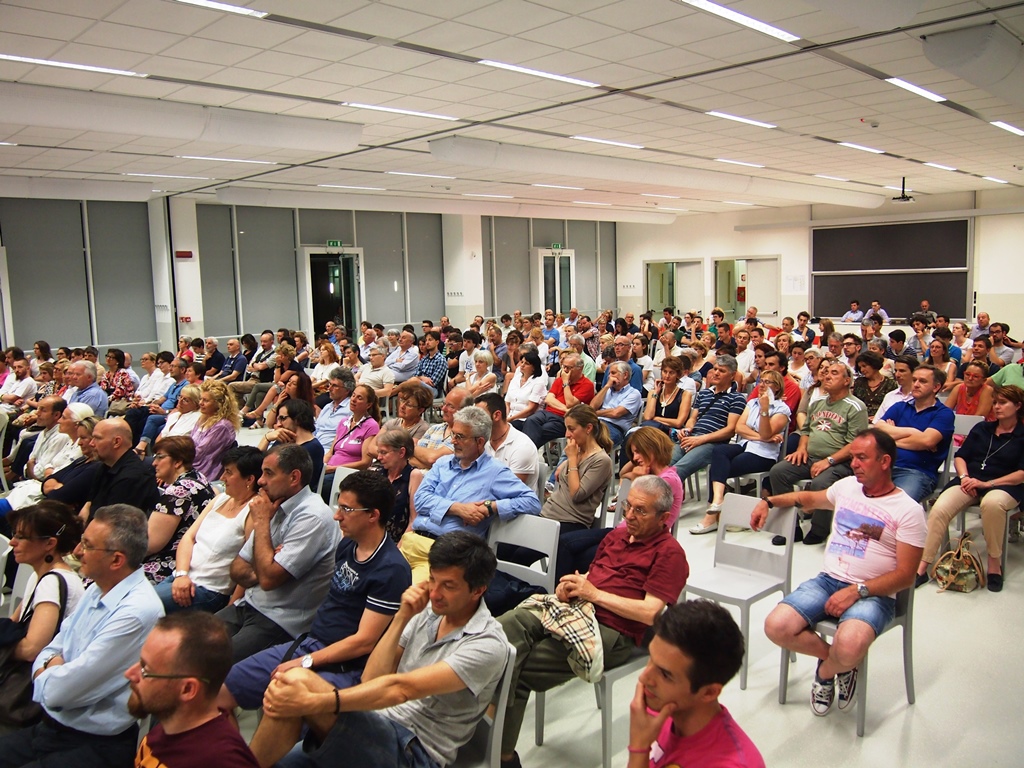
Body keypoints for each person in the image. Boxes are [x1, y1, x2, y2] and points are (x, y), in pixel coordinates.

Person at [246, 531, 508, 768]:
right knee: (288, 694)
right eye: (432, 580)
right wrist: (401, 617)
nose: (434, 593)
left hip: (415, 750)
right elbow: (371, 677)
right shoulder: (427, 612)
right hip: (378, 722)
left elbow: (402, 689)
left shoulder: (487, 643)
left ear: (478, 591)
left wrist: (316, 703)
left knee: (295, 682)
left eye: (448, 586)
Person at [498, 475, 689, 768]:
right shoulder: (616, 537)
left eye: (640, 511)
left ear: (664, 517)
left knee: (518, 669)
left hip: (613, 631)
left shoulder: (669, 553)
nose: (629, 515)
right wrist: (573, 586)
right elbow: (594, 575)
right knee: (507, 627)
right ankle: (475, 709)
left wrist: (594, 594)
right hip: (579, 608)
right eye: (628, 506)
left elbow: (650, 612)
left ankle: (502, 756)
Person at [217, 471, 411, 745]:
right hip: (309, 643)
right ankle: (234, 758)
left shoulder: (391, 569)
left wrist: (305, 661)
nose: (337, 516)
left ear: (372, 515)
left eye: (347, 509)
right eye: (339, 506)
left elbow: (364, 642)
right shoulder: (348, 545)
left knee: (287, 711)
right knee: (218, 695)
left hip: (344, 665)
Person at [755, 429, 925, 718]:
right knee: (776, 626)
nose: (854, 463)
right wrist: (768, 502)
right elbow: (808, 498)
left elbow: (907, 575)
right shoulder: (847, 487)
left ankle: (826, 671)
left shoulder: (908, 510)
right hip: (828, 581)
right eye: (853, 457)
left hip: (874, 593)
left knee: (848, 647)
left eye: (862, 458)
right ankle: (842, 665)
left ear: (884, 462)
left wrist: (856, 591)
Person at [0, 505, 163, 768]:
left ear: (116, 560)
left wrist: (47, 672)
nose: (77, 551)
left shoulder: (136, 612)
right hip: (52, 728)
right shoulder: (97, 589)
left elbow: (61, 691)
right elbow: (53, 648)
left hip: (94, 743)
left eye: (87, 545)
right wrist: (54, 666)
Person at [216, 445, 340, 663]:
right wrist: (267, 561)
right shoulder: (273, 506)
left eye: (269, 473)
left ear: (294, 477)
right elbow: (237, 570)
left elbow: (268, 579)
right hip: (248, 605)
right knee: (189, 642)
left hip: (279, 621)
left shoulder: (312, 517)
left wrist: (262, 523)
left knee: (213, 662)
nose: (260, 481)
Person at [402, 405, 540, 582]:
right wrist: (458, 509)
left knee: (404, 594)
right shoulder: (443, 464)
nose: (453, 441)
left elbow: (532, 502)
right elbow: (420, 500)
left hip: (446, 553)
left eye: (460, 437)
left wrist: (491, 506)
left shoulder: (495, 472)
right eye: (453, 434)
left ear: (480, 442)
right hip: (412, 541)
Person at [626, 601, 764, 768]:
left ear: (709, 692)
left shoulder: (733, 764)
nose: (644, 677)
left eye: (665, 674)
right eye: (651, 658)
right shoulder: (654, 714)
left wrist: (639, 747)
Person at [915, 385, 1024, 593]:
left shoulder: (1021, 435)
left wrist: (987, 484)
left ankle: (994, 563)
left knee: (992, 504)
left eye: (1003, 403)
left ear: (1018, 406)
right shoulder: (982, 428)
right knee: (940, 508)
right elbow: (961, 456)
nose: (997, 407)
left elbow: (1021, 474)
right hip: (970, 481)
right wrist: (964, 477)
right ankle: (923, 566)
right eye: (995, 402)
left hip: (1004, 485)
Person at [127, 612, 260, 768]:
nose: (130, 674)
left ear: (187, 689)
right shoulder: (169, 725)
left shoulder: (221, 761)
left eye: (145, 670)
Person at [765, 361, 869, 545]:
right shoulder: (818, 403)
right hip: (811, 457)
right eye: (826, 372)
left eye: (834, 373)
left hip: (841, 462)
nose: (827, 376)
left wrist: (829, 460)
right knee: (778, 472)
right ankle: (791, 528)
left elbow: (855, 444)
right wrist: (801, 449)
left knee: (821, 482)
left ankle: (819, 530)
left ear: (847, 381)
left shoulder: (855, 406)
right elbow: (806, 430)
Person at [2, 501, 85, 727]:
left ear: (49, 543)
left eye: (21, 537)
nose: (12, 542)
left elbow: (32, 649)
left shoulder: (53, 582)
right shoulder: (40, 576)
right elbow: (14, 622)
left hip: (36, 692)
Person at [154, 445, 260, 615]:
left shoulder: (253, 510)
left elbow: (249, 563)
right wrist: (181, 574)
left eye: (229, 472)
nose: (222, 477)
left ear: (249, 480)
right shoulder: (220, 499)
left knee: (141, 605)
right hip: (181, 576)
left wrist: (231, 607)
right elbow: (189, 538)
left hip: (209, 590)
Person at [694, 371, 791, 535]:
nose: (762, 385)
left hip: (763, 454)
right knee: (719, 451)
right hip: (745, 444)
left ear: (777, 387)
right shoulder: (752, 402)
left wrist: (765, 410)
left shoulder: (782, 409)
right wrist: (763, 437)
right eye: (761, 381)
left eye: (768, 382)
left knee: (720, 468)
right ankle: (718, 501)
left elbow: (766, 432)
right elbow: (739, 428)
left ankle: (712, 515)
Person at [873, 365, 954, 502]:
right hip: (882, 466)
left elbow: (927, 441)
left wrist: (890, 438)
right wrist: (913, 433)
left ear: (936, 387)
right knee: (854, 497)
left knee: (896, 504)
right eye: (914, 380)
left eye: (922, 381)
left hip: (916, 472)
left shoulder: (944, 414)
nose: (915, 384)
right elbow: (878, 430)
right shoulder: (900, 407)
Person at [142, 435, 215, 586]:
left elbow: (150, 544)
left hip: (170, 566)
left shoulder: (178, 491)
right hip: (190, 559)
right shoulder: (199, 477)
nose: (154, 463)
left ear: (178, 462)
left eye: (160, 457)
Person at [670, 356, 746, 486]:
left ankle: (663, 497)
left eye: (722, 371)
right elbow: (692, 418)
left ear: (732, 375)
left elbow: (730, 430)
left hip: (712, 443)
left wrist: (701, 439)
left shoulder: (737, 398)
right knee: (662, 465)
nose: (716, 373)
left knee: (677, 470)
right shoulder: (703, 393)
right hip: (692, 437)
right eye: (715, 369)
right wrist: (687, 429)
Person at [81, 417, 160, 523]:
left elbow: (111, 524)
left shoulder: (132, 478)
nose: (91, 443)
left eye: (97, 438)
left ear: (117, 442)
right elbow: (89, 504)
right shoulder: (105, 465)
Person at [519, 353, 595, 448]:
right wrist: (566, 409)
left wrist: (566, 383)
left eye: (569, 368)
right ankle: (528, 453)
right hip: (548, 413)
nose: (565, 370)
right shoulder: (559, 380)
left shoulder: (587, 384)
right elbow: (548, 399)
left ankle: (527, 453)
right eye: (564, 367)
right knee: (530, 421)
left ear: (580, 368)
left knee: (540, 430)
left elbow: (570, 403)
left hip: (565, 419)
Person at [475, 392, 540, 490]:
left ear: (497, 415)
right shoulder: (481, 440)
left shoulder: (523, 447)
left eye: (479, 415)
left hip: (511, 498)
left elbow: (508, 489)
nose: (474, 421)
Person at [260, 399, 325, 490]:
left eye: (282, 418)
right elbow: (257, 463)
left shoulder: (313, 448)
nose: (278, 424)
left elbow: (284, 481)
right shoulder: (284, 439)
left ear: (297, 419)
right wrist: (266, 438)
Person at [191, 379, 241, 482]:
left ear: (219, 404)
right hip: (190, 463)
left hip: (204, 473)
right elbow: (190, 444)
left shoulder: (222, 427)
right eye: (201, 399)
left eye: (206, 400)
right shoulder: (203, 418)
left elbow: (200, 455)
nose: (200, 403)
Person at [325, 384, 380, 473]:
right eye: (353, 395)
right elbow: (330, 453)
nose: (353, 400)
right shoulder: (343, 422)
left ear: (368, 405)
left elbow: (365, 463)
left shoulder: (371, 426)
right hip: (330, 469)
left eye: (359, 398)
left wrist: (333, 469)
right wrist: (321, 467)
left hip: (347, 473)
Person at [374, 429, 416, 542]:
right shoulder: (377, 473)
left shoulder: (413, 476)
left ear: (401, 452)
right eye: (378, 452)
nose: (379, 457)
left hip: (397, 541)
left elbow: (414, 520)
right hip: (372, 537)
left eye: (383, 452)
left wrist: (399, 547)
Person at [641, 355, 694, 437]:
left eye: (671, 372)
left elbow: (679, 423)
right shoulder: (653, 392)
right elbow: (648, 417)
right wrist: (655, 393)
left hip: (670, 432)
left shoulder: (685, 394)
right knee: (632, 434)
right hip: (652, 429)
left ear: (678, 375)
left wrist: (656, 419)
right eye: (665, 371)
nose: (667, 376)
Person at [504, 350, 547, 423]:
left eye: (526, 363)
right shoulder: (516, 379)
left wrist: (511, 419)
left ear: (534, 367)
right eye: (522, 362)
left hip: (526, 420)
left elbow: (531, 409)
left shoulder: (538, 382)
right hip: (510, 417)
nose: (522, 365)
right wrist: (506, 418)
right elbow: (507, 403)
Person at [852, 351, 897, 418]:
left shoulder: (890, 384)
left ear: (874, 364)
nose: (862, 370)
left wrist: (877, 417)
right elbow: (854, 404)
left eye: (864, 366)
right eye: (860, 367)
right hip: (861, 419)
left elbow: (892, 408)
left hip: (882, 420)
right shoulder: (859, 382)